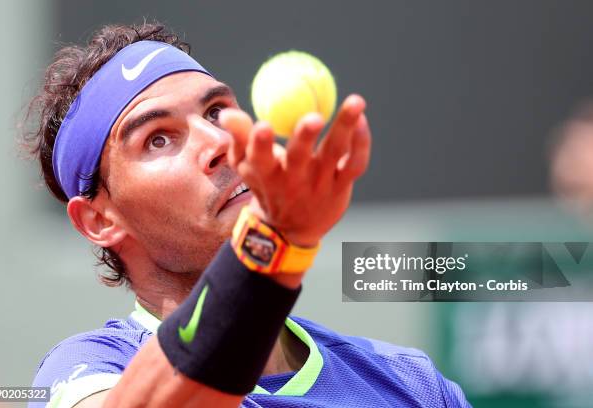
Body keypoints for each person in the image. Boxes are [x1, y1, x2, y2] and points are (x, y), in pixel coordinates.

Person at [24, 22, 470, 408]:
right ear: (99, 221)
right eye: (158, 139)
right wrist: (273, 243)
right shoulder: (88, 369)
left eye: (217, 111)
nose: (218, 141)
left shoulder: (413, 386)